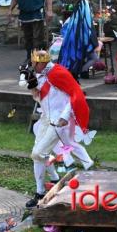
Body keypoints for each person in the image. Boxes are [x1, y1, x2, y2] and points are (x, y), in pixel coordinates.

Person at [25, 50, 94, 208]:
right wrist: (31, 86)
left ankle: (91, 169)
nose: (32, 65)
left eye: (34, 63)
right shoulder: (41, 74)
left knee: (39, 153)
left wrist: (64, 116)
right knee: (40, 154)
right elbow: (40, 97)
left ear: (41, 63)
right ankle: (41, 191)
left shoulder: (58, 72)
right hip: (45, 118)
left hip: (58, 121)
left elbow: (75, 94)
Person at [58, 0, 102, 80]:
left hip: (75, 38)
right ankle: (79, 72)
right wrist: (94, 42)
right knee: (93, 58)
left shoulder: (81, 3)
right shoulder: (84, 4)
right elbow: (87, 26)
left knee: (86, 59)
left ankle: (77, 72)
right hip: (80, 39)